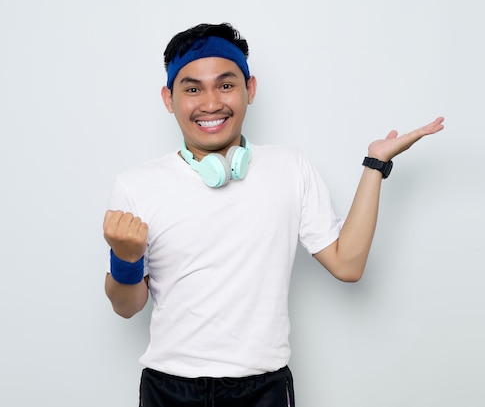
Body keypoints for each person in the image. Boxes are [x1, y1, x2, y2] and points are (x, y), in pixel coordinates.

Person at [103, 22, 444, 407]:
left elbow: (348, 265)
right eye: (192, 88)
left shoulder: (290, 168)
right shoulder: (136, 185)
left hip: (262, 389)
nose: (211, 102)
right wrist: (126, 260)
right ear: (169, 98)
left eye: (226, 84)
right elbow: (126, 306)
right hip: (170, 388)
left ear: (250, 89)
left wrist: (375, 164)